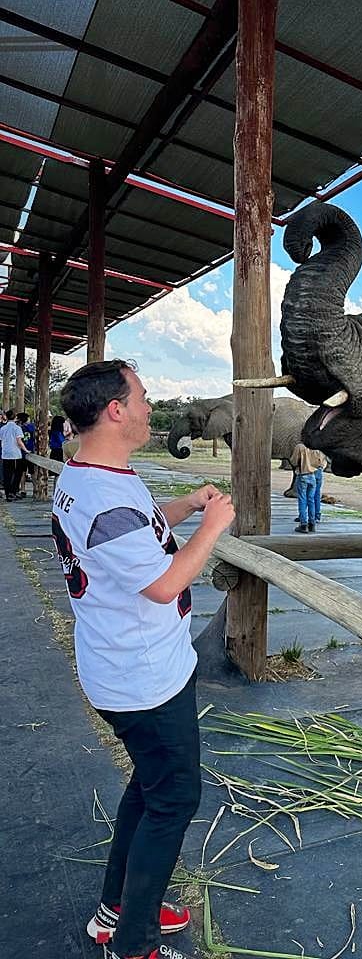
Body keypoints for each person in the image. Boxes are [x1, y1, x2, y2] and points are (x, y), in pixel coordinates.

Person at [53, 359, 235, 959]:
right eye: (142, 396)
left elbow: (138, 534)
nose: (150, 405)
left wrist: (183, 505)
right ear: (116, 410)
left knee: (149, 788)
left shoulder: (94, 476)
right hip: (145, 680)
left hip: (127, 666)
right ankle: (133, 944)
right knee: (175, 797)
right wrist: (214, 526)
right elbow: (162, 581)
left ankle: (118, 909)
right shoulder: (107, 498)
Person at [289, 441, 326, 533]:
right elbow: (319, 463)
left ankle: (303, 524)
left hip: (303, 475)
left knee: (302, 499)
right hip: (313, 476)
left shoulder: (300, 447)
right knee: (311, 500)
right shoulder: (316, 448)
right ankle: (312, 523)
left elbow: (293, 461)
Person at [1, 408, 28, 500]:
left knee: (7, 474)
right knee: (17, 474)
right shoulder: (17, 428)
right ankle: (13, 491)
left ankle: (8, 493)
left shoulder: (3, 428)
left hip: (5, 453)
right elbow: (19, 441)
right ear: (15, 417)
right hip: (15, 454)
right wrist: (26, 450)